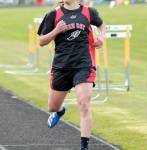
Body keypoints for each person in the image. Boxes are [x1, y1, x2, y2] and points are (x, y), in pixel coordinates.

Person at [38, 0, 105, 149]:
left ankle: (84, 146)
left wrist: (102, 37)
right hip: (62, 67)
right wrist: (56, 31)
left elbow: (100, 24)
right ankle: (60, 111)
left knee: (84, 104)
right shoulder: (53, 14)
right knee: (52, 107)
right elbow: (41, 41)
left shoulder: (89, 12)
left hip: (83, 64)